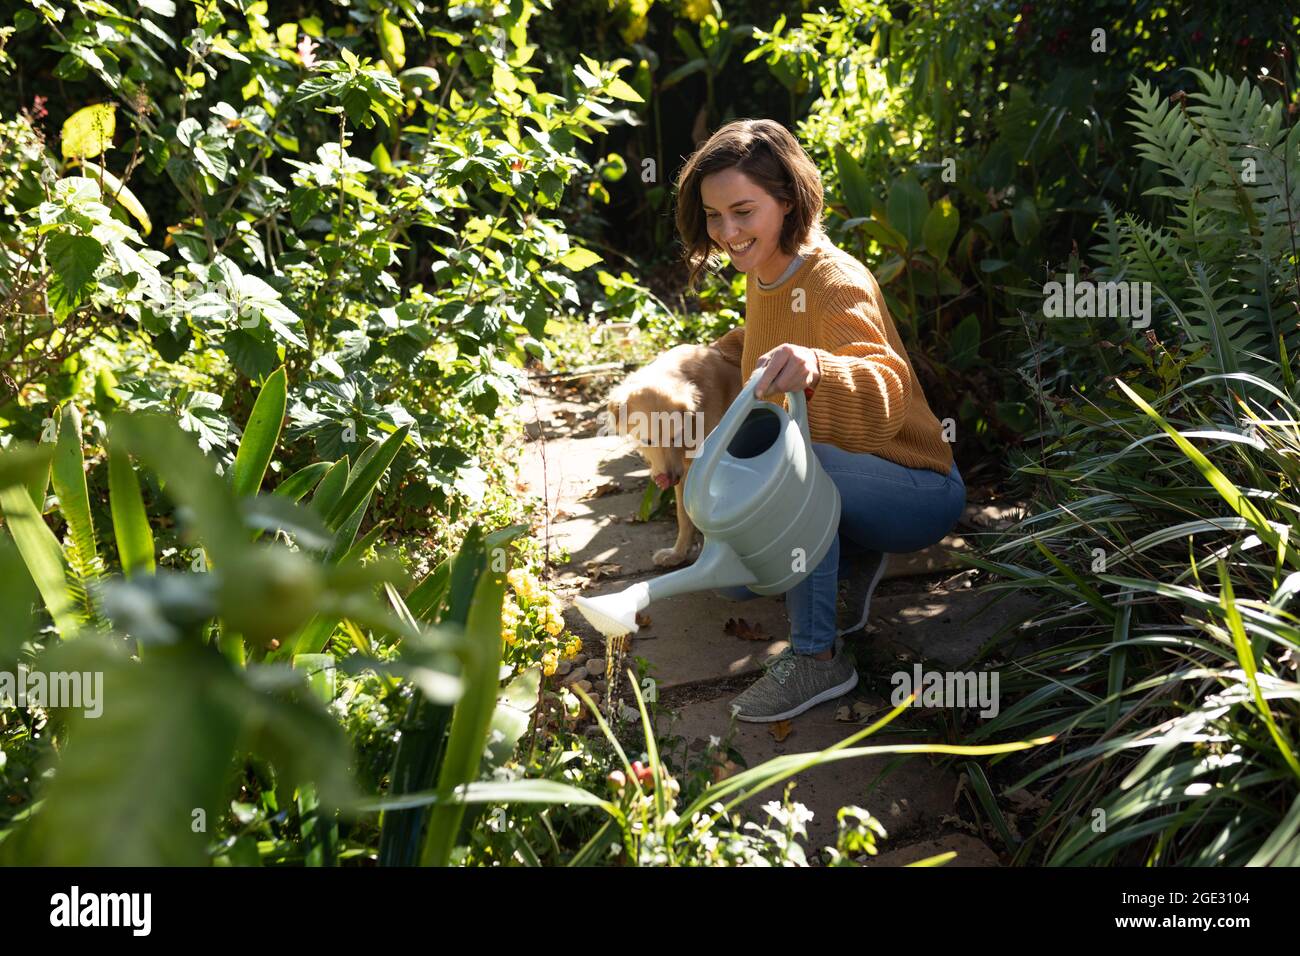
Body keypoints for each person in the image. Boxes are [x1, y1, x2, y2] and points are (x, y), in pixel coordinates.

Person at [672, 118, 966, 722]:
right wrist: (694, 370)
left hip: (916, 482)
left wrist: (819, 369)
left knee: (798, 474)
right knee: (734, 579)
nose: (727, 232)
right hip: (847, 471)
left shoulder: (834, 281)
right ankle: (852, 556)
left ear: (786, 200)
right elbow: (761, 345)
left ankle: (818, 658)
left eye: (742, 211)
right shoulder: (766, 273)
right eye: (713, 215)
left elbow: (884, 386)